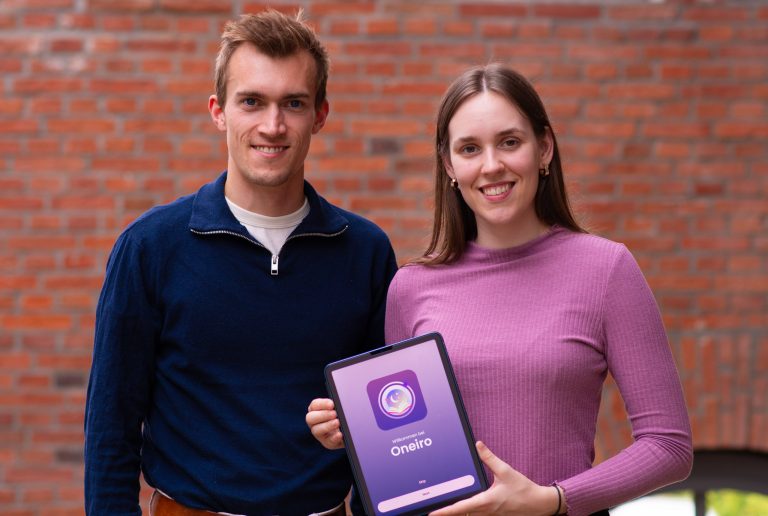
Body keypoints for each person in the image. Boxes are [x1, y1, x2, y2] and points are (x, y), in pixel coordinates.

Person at [307, 64, 692, 516]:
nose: (492, 166)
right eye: (470, 148)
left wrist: (554, 501)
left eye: (510, 142)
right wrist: (352, 431)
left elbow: (669, 446)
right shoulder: (411, 287)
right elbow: (408, 450)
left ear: (544, 148)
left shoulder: (606, 269)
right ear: (449, 166)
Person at [84, 9, 397, 516]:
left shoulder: (365, 252)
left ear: (320, 114)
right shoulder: (150, 247)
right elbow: (111, 429)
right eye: (252, 101)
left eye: (293, 103)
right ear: (218, 111)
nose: (272, 126)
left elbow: (385, 426)